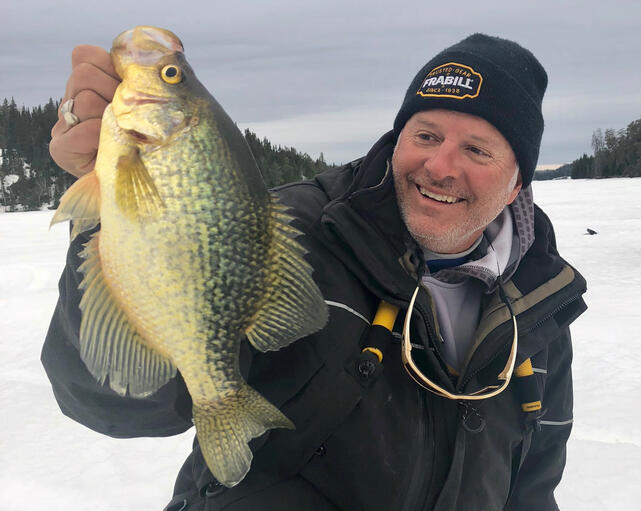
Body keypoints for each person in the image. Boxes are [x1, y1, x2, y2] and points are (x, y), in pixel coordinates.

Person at [42, 33, 587, 511]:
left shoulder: (537, 302)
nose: (440, 166)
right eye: (425, 135)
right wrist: (107, 208)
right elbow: (121, 402)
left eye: (476, 149)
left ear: (517, 183)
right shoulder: (292, 233)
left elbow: (531, 488)